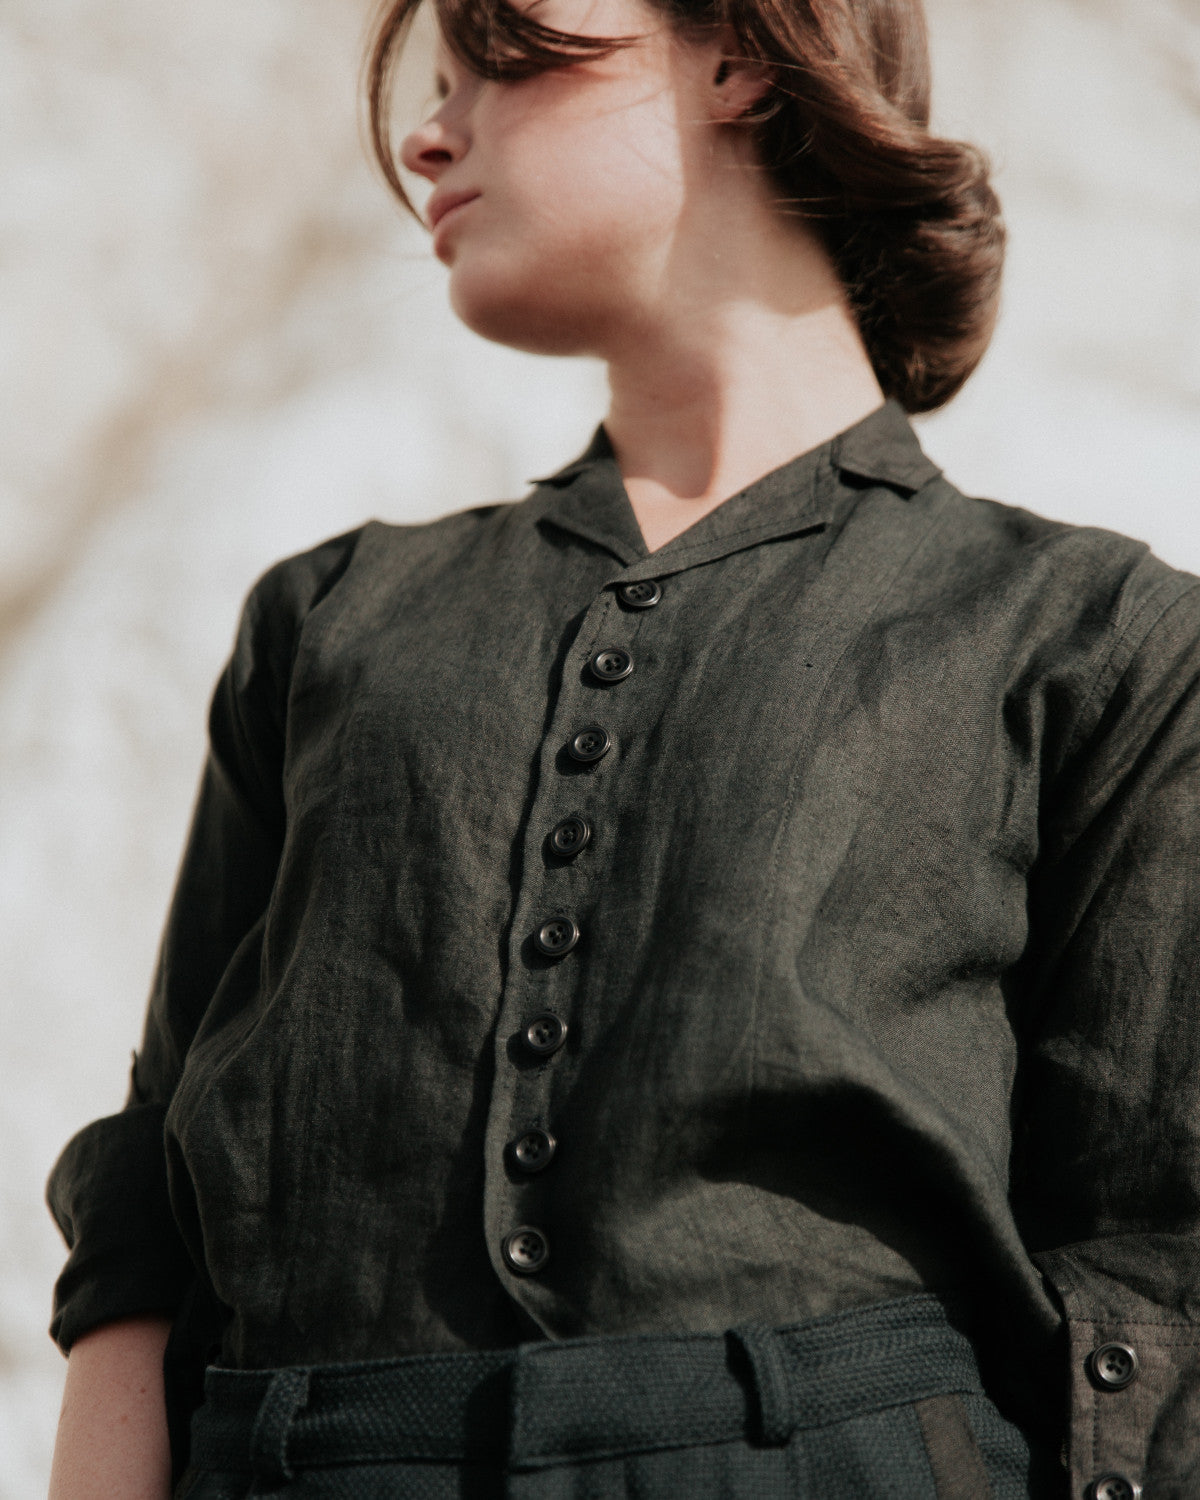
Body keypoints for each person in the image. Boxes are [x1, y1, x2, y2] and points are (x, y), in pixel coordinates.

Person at [45, 0, 1200, 1496]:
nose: (425, 135)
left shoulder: (1091, 637)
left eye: (500, 62)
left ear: (740, 56)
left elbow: (1157, 1258)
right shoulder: (327, 621)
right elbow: (155, 1202)